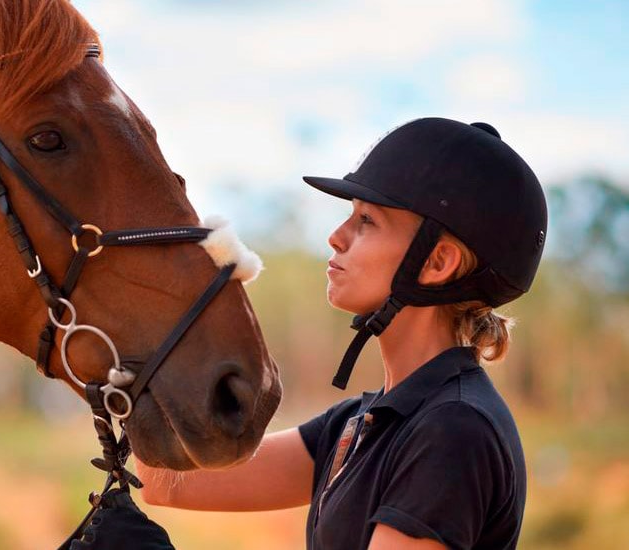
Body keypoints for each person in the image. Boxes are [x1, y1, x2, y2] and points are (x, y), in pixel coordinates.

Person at [134, 117, 548, 550]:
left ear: (437, 263)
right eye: (349, 216)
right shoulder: (364, 423)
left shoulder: (454, 430)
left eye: (367, 221)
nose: (336, 237)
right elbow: (167, 483)